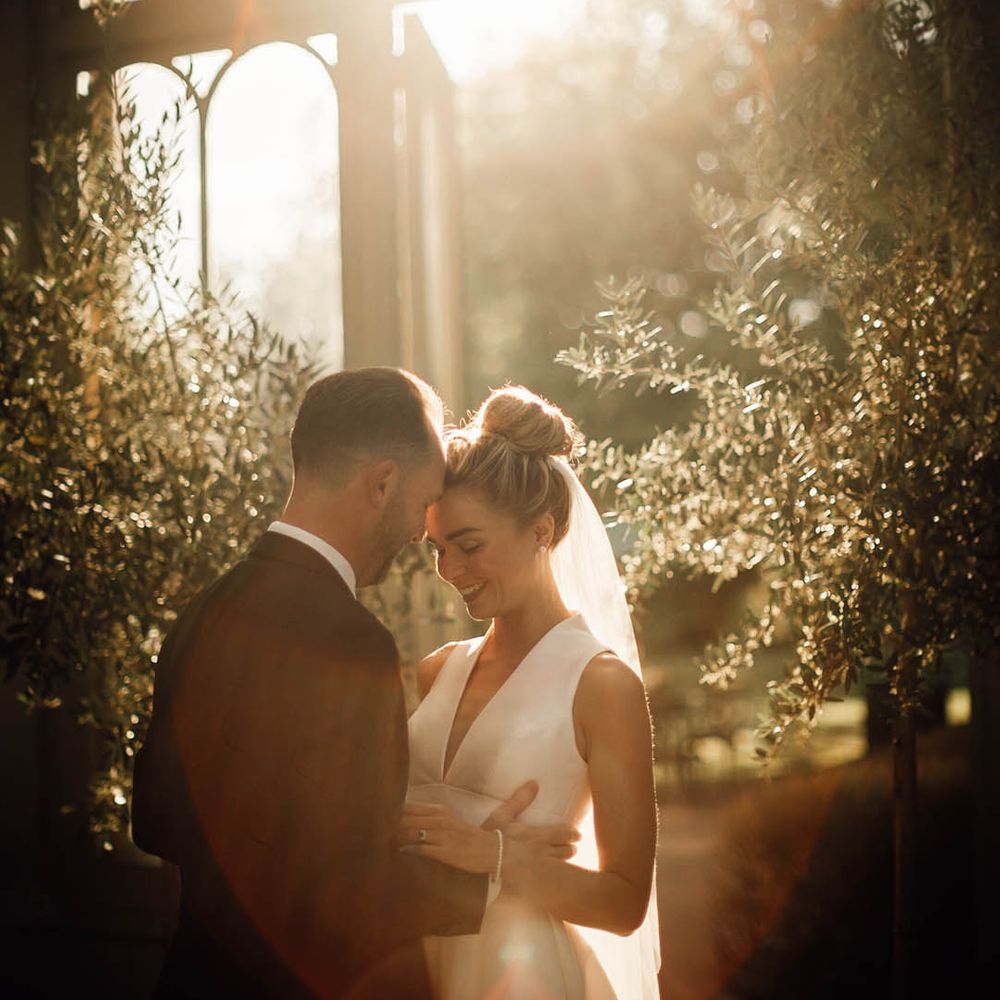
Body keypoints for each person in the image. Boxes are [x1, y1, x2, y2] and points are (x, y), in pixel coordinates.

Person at [131, 368, 575, 1000]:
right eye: (423, 501)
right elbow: (351, 894)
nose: (424, 532)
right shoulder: (350, 642)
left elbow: (155, 821)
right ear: (382, 483)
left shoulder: (204, 614)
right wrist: (498, 865)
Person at [402, 386, 661, 999]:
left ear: (542, 530)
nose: (450, 571)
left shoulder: (601, 686)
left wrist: (497, 857)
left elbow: (624, 902)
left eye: (469, 546)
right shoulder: (436, 672)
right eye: (439, 549)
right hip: (416, 967)